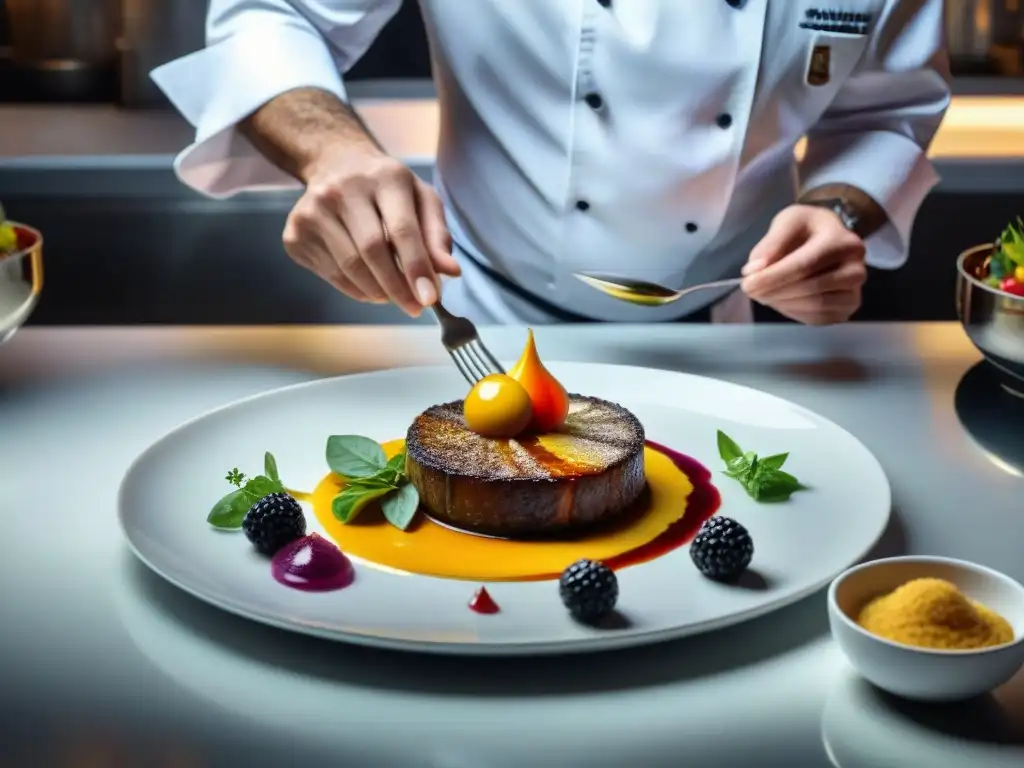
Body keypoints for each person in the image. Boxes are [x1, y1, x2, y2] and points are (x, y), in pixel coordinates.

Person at [152, 0, 950, 325]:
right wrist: (334, 154)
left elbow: (887, 110)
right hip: (479, 318)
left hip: (730, 330)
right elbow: (272, 12)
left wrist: (840, 212)